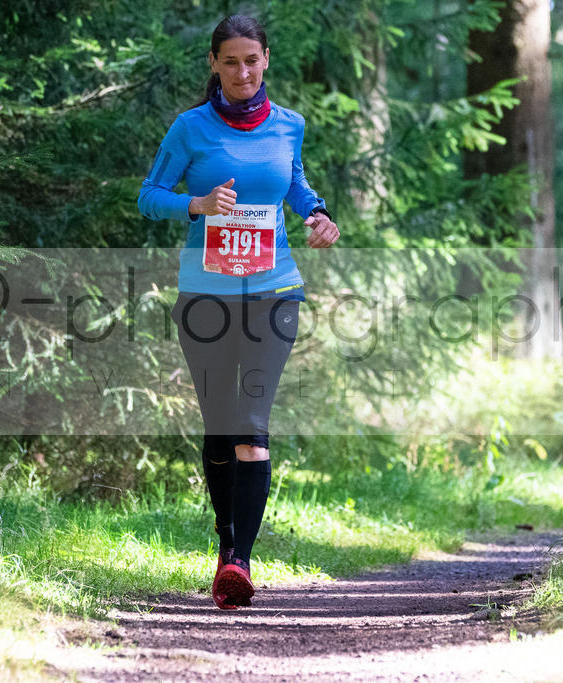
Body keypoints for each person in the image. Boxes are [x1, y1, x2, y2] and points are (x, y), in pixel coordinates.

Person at [137, 14, 339, 610]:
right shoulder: (190, 129)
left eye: (252, 60)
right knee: (220, 427)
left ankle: (238, 563)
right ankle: (225, 541)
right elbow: (149, 196)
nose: (243, 72)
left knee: (251, 425)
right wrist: (196, 204)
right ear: (214, 64)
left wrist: (317, 213)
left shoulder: (289, 125)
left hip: (274, 292)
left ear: (266, 59)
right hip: (205, 297)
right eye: (231, 61)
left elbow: (293, 183)